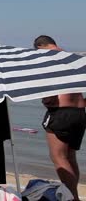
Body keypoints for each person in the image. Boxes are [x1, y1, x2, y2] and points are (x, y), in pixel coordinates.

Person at [34, 35, 86, 200]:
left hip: (61, 112)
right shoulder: (72, 58)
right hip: (79, 112)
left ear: (40, 47)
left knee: (59, 158)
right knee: (70, 157)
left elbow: (50, 96)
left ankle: (73, 197)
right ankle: (73, 194)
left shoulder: (47, 58)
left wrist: (46, 99)